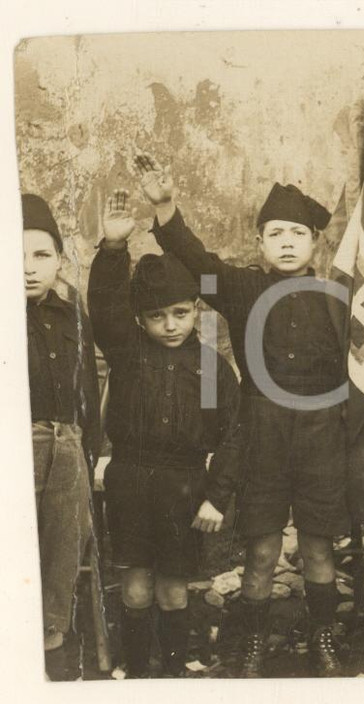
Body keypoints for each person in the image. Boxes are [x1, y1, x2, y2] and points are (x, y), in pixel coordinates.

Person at [133, 153, 352, 677]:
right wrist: (166, 209)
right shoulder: (244, 289)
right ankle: (252, 645)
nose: (286, 242)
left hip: (322, 435)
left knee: (320, 550)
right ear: (259, 243)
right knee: (261, 551)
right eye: (274, 232)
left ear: (316, 242)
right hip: (264, 433)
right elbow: (199, 263)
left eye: (298, 233)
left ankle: (324, 642)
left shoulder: (338, 297)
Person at [88, 189, 243, 677]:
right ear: (140, 319)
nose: (170, 324)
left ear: (196, 309)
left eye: (180, 312)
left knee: (174, 588)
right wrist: (113, 250)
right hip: (131, 482)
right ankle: (136, 673)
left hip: (185, 486)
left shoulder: (213, 368)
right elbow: (105, 306)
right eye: (156, 316)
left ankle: (173, 673)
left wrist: (216, 497)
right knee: (135, 586)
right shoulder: (127, 351)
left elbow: (234, 435)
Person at [21, 193, 101, 678]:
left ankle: (54, 639)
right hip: (17, 446)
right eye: (14, 254)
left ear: (60, 261)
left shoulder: (72, 317)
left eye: (41, 255)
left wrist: (92, 452)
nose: (28, 268)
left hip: (67, 446)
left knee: (63, 544)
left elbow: (87, 391)